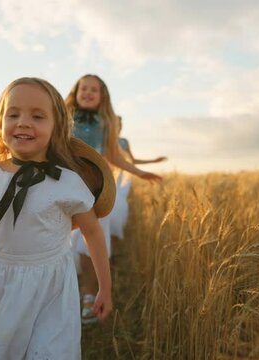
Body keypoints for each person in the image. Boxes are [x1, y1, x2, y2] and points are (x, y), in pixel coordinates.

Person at [0, 77, 113, 359]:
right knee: (0, 349)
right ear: (0, 122)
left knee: (50, 352)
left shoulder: (67, 182)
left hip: (54, 287)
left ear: (57, 127)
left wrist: (104, 287)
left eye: (37, 116)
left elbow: (93, 233)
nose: (23, 122)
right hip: (4, 285)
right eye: (13, 114)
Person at [64, 74, 161, 324]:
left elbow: (115, 156)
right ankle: (59, 291)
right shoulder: (63, 118)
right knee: (58, 238)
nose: (87, 92)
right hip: (62, 185)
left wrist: (139, 171)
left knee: (89, 243)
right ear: (75, 92)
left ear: (102, 96)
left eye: (93, 90)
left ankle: (88, 294)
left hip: (94, 189)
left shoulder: (106, 124)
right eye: (83, 88)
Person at [109, 116, 167, 253]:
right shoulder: (103, 140)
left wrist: (153, 161)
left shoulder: (123, 142)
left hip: (121, 179)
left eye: (119, 124)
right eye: (115, 124)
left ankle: (112, 253)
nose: (117, 127)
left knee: (118, 212)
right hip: (108, 176)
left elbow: (131, 161)